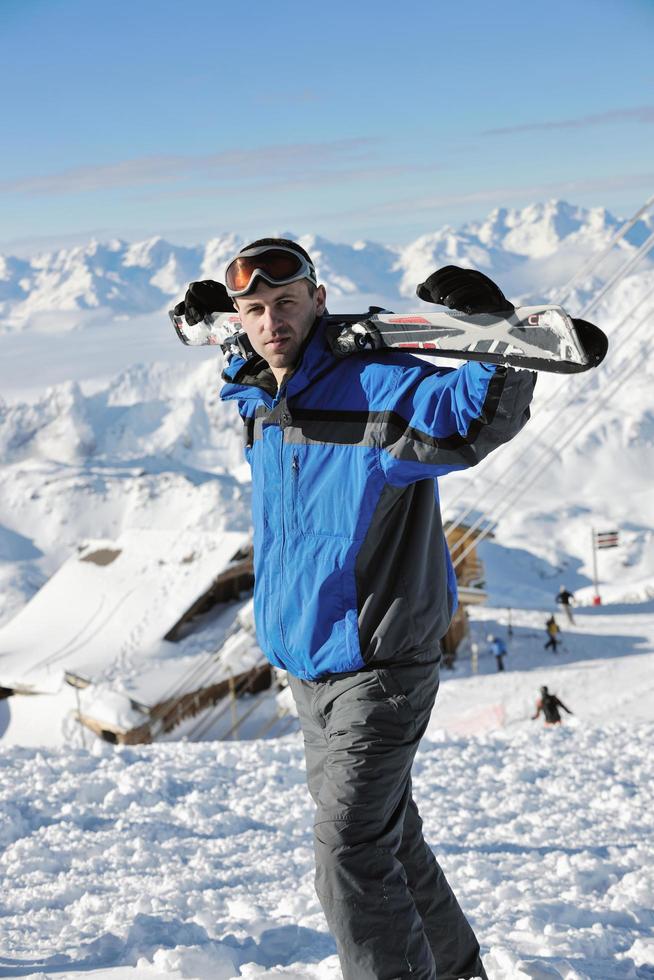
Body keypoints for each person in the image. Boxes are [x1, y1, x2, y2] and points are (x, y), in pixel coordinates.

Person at [174, 240, 536, 980]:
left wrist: (495, 332)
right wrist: (216, 326)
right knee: (388, 837)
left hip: (380, 667)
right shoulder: (262, 396)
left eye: (287, 303)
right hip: (309, 668)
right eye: (255, 310)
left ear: (319, 300)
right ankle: (457, 969)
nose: (272, 321)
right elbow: (245, 366)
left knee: (348, 854)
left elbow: (472, 417)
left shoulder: (376, 386)